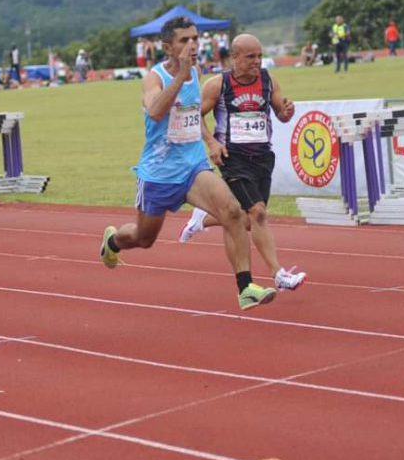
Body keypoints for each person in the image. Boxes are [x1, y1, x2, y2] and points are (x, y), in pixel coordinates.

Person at [99, 16, 277, 311]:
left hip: (193, 167)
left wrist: (209, 142)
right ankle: (114, 241)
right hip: (159, 173)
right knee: (144, 239)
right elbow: (155, 111)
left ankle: (245, 287)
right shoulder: (154, 78)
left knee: (233, 211)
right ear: (168, 47)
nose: (193, 45)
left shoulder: (197, 72)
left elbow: (197, 115)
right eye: (185, 40)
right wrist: (180, 76)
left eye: (195, 38)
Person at [178, 33, 306, 291]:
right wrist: (212, 143)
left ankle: (203, 219)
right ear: (234, 57)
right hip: (233, 158)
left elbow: (280, 113)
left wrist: (286, 111)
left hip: (262, 156)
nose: (256, 61)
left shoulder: (268, 80)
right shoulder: (219, 85)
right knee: (258, 212)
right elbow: (194, 115)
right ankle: (278, 274)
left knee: (249, 220)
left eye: (259, 56)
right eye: (250, 57)